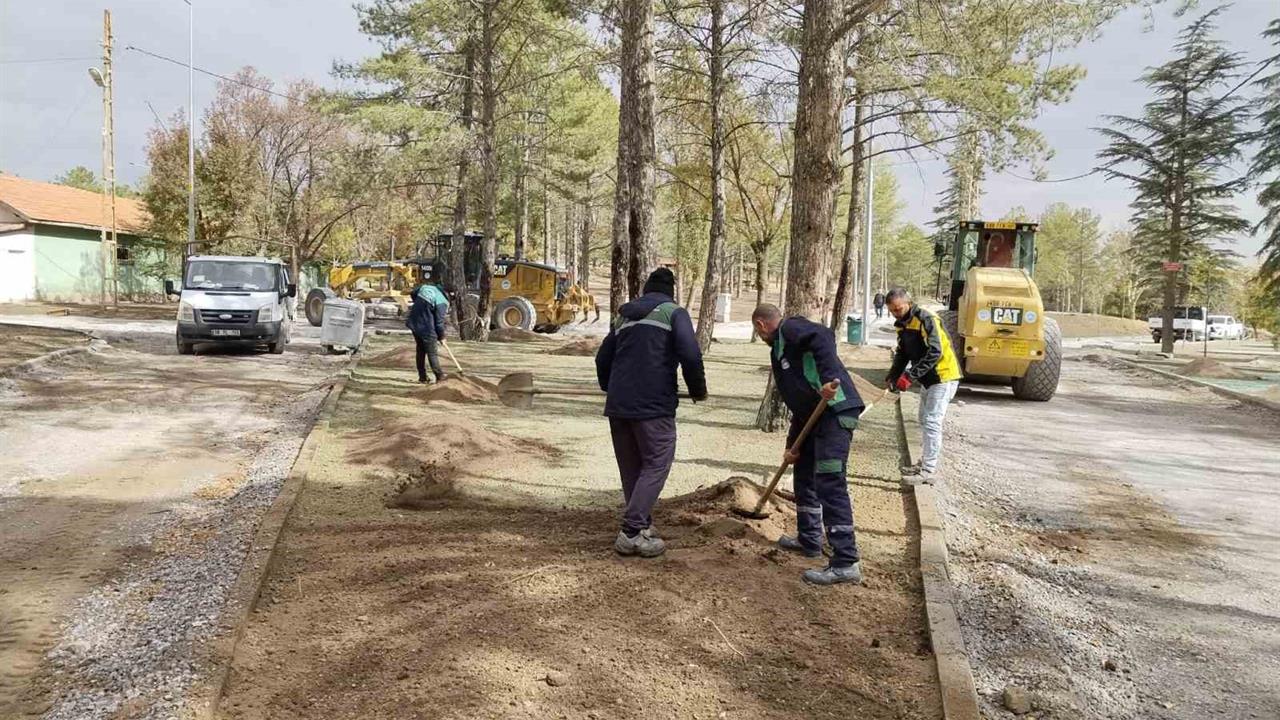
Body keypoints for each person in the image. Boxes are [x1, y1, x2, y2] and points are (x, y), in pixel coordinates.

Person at [750, 304, 866, 586]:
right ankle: (809, 539)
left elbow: (824, 336)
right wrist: (793, 446)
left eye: (757, 330)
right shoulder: (778, 350)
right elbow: (801, 406)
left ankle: (845, 561)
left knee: (829, 481)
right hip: (814, 418)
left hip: (835, 412)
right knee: (803, 474)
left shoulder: (790, 329)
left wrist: (829, 380)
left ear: (761, 325)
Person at [595, 267, 707, 558]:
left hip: (620, 406)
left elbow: (602, 357)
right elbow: (691, 355)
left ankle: (641, 525)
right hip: (653, 404)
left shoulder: (624, 316)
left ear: (646, 290)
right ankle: (631, 531)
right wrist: (697, 390)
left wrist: (611, 388)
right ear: (671, 291)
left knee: (632, 467)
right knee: (657, 462)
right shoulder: (673, 313)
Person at [884, 287, 962, 483]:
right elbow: (902, 352)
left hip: (943, 376)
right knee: (923, 418)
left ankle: (928, 471)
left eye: (899, 309)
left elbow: (935, 352)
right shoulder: (902, 325)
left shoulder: (926, 319)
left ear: (908, 303)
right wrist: (893, 375)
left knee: (932, 421)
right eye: (892, 310)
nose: (896, 313)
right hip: (928, 379)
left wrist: (910, 376)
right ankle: (925, 462)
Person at [406, 282, 450, 384]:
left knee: (421, 350)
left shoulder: (427, 287)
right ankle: (440, 377)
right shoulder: (442, 302)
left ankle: (422, 377)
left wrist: (420, 306)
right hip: (426, 327)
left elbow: (413, 293)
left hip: (414, 322)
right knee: (432, 352)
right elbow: (439, 323)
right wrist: (442, 337)